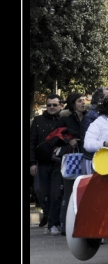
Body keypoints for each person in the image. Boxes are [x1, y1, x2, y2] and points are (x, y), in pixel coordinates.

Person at [29, 94, 64, 235]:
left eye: (54, 105)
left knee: (56, 194)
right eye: (49, 105)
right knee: (42, 193)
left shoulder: (63, 120)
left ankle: (53, 223)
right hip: (41, 163)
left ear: (60, 106)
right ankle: (49, 217)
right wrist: (32, 163)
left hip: (58, 164)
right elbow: (31, 143)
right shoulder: (38, 121)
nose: (51, 107)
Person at [59, 92, 86, 235]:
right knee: (69, 193)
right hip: (72, 159)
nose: (83, 103)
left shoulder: (89, 117)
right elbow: (57, 134)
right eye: (79, 101)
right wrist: (68, 140)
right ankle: (65, 226)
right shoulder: (66, 119)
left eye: (84, 100)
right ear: (73, 103)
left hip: (87, 158)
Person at [81, 87, 108, 175]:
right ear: (100, 99)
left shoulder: (104, 113)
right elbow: (88, 140)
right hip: (93, 158)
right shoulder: (91, 115)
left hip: (103, 156)